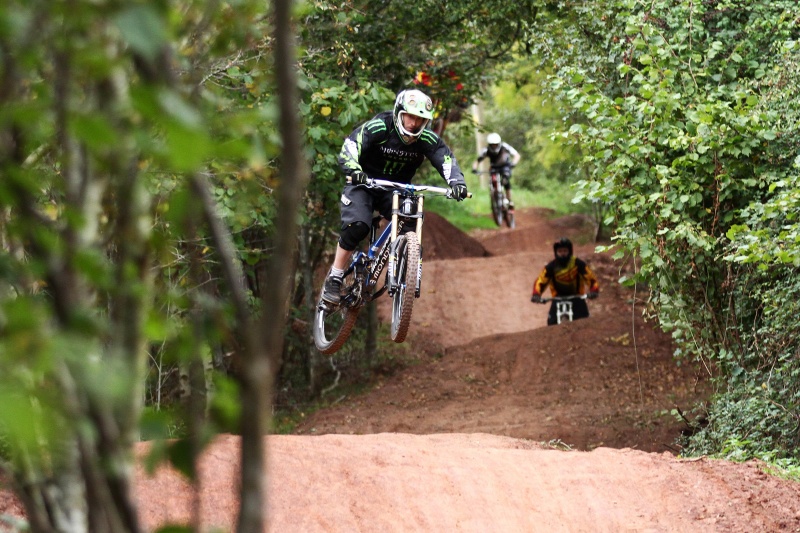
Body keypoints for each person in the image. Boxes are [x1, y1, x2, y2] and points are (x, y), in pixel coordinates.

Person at [321, 88, 469, 304]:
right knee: (358, 226)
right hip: (363, 184)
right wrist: (354, 170)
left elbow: (445, 158)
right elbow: (352, 145)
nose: (414, 124)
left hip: (395, 189)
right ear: (399, 113)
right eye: (410, 116)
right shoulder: (380, 126)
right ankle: (335, 277)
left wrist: (457, 182)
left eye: (420, 119)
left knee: (409, 215)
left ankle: (399, 269)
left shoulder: (427, 138)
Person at [530, 237, 600, 325]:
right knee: (551, 324)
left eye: (565, 251)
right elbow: (541, 281)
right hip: (557, 298)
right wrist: (536, 294)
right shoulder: (550, 267)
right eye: (560, 251)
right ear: (556, 252)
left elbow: (591, 279)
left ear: (570, 251)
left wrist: (594, 291)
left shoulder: (578, 264)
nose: (562, 254)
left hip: (577, 297)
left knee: (585, 324)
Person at [471, 132, 520, 209]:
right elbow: (477, 161)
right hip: (494, 167)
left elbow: (516, 155)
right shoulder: (486, 150)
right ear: (489, 144)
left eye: (496, 144)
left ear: (499, 143)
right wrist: (474, 169)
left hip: (505, 166)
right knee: (492, 179)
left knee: (505, 179)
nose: (494, 146)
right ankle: (494, 196)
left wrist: (513, 163)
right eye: (492, 145)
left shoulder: (505, 146)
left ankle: (509, 200)